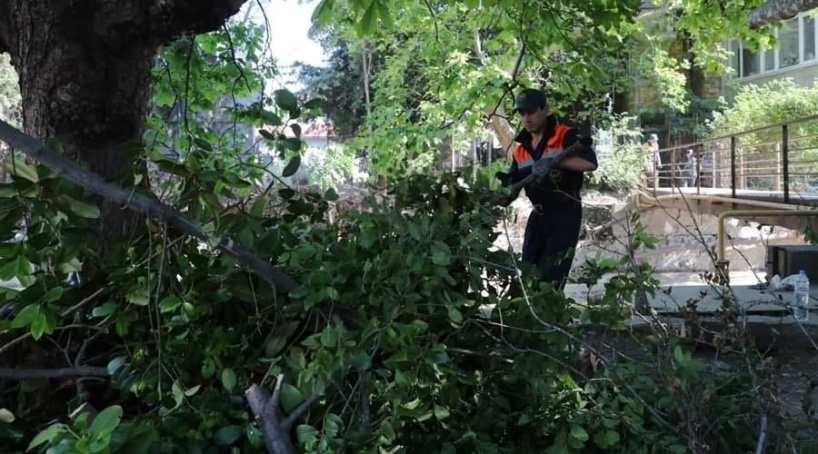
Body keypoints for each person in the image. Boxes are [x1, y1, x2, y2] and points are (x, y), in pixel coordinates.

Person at [495, 88, 598, 289]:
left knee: (551, 277)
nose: (527, 118)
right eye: (522, 113)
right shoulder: (520, 150)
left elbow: (590, 163)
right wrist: (503, 195)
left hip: (565, 213)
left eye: (531, 112)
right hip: (538, 215)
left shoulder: (565, 135)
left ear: (545, 109)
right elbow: (513, 184)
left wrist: (557, 162)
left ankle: (551, 305)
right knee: (528, 272)